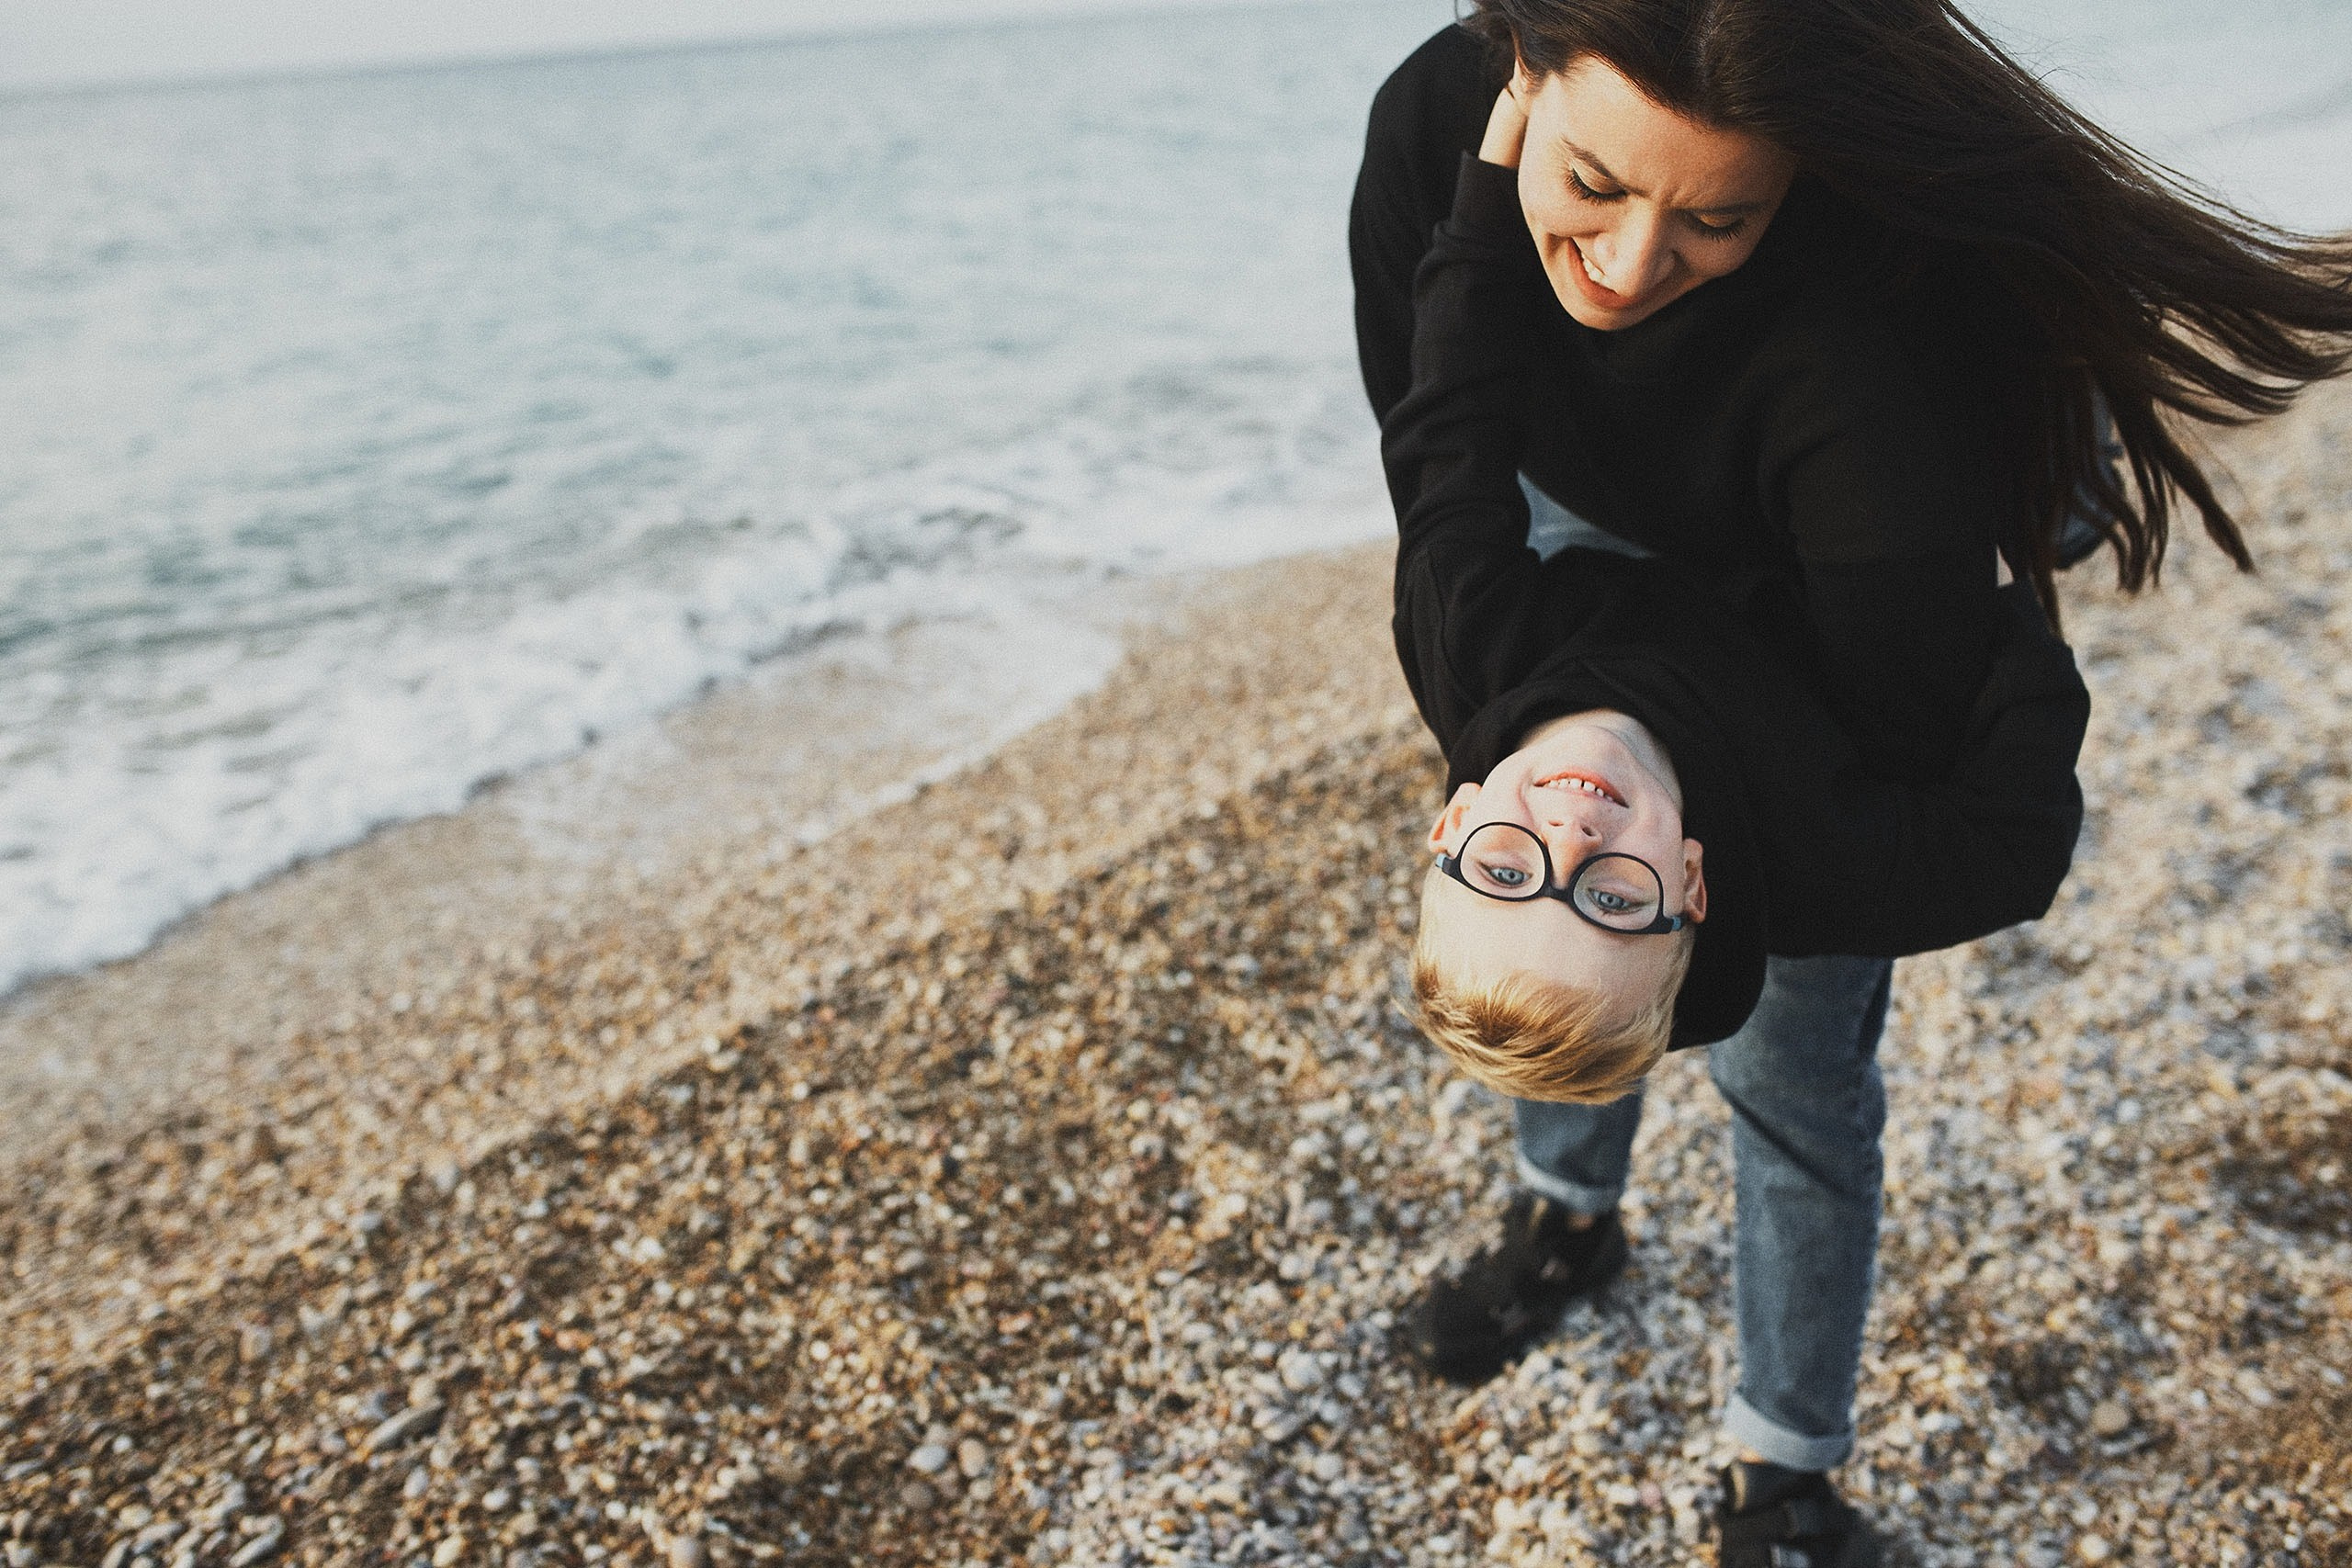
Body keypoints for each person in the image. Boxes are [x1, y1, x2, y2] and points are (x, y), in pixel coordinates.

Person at [1350, 4, 2352, 1564]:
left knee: (1794, 1090)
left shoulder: (1490, 636)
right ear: (1695, 886)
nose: (1568, 833)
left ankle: (1784, 1475)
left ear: (1454, 815)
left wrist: (1981, 581)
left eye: (1712, 215)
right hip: (1761, 667)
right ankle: (1566, 1210)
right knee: (1565, 989)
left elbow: (1447, 431)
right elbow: (2010, 841)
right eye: (1593, 184)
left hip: (1829, 568)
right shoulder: (1822, 848)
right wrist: (2017, 645)